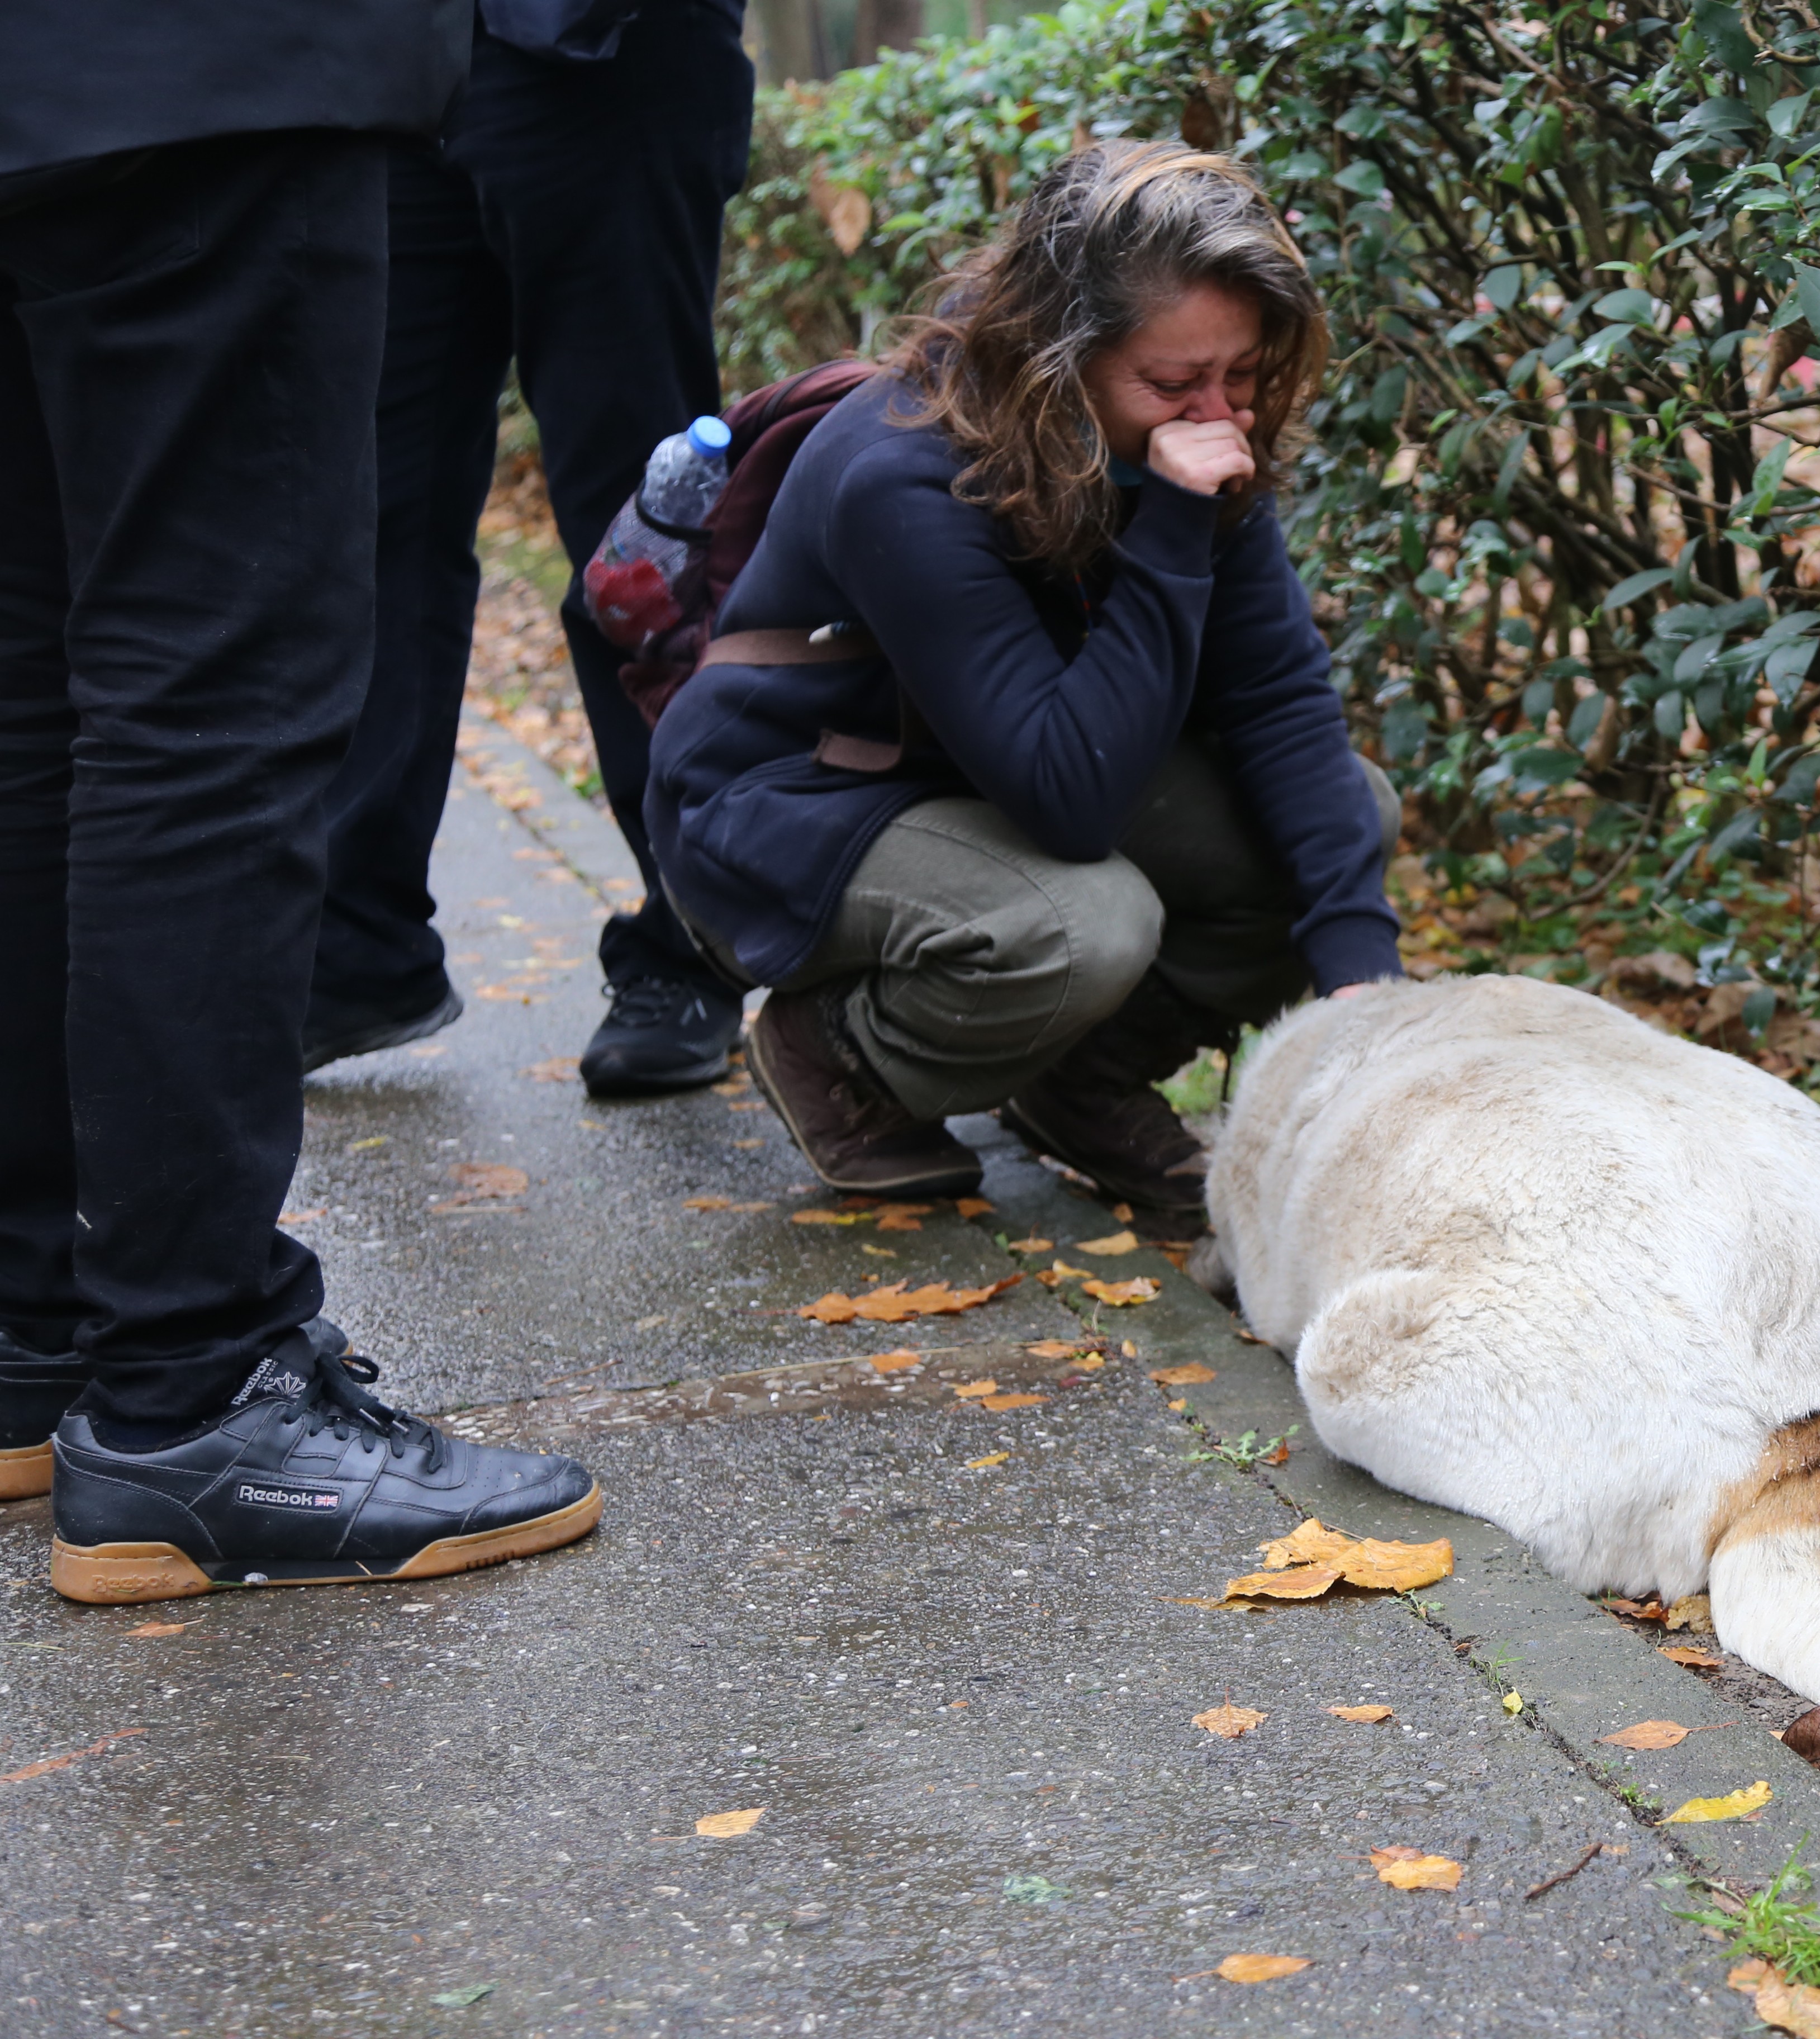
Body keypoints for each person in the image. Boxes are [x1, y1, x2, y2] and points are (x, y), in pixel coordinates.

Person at [1, 1, 603, 1601]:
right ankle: (194, 1393)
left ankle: (33, 1325)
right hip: (210, 69)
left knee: (42, 693)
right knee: (216, 693)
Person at [647, 141, 1402, 1212]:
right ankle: (843, 1058)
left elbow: (1277, 701)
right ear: (1059, 354)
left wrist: (1364, 988)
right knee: (1081, 923)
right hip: (796, 796)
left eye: (1241, 375)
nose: (1217, 416)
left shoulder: (1189, 432)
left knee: (1345, 818)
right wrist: (1175, 526)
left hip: (994, 759)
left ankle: (1082, 1086)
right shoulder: (904, 474)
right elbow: (1069, 800)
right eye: (1173, 384)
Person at [305, 0, 757, 1098]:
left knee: (640, 522)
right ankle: (356, 950)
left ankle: (698, 939)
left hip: (610, 50)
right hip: (401, 67)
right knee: (379, 518)